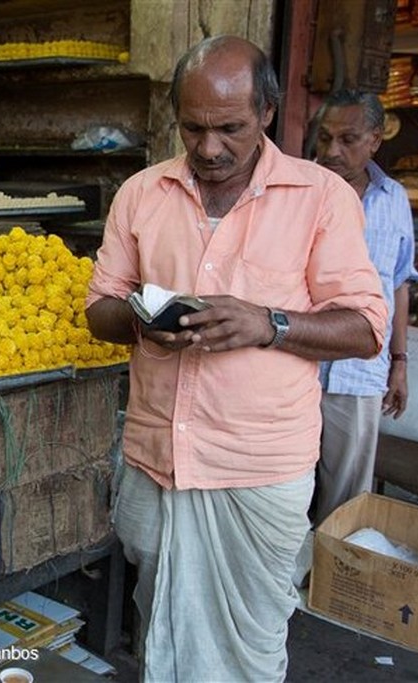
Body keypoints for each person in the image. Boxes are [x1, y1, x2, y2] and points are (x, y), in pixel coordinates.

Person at [84, 36, 388, 682]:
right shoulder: (142, 194)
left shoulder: (320, 198)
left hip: (259, 469)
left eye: (230, 128)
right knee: (158, 623)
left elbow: (365, 328)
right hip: (155, 461)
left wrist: (268, 323)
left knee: (249, 641)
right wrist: (145, 322)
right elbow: (99, 311)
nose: (211, 147)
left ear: (269, 112)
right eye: (193, 129)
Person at [311, 89, 418, 524]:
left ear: (375, 140)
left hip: (361, 370)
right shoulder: (301, 191)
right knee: (283, 483)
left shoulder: (393, 199)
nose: (332, 151)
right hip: (296, 362)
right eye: (324, 138)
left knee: (345, 496)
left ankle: (326, 582)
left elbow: (397, 283)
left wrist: (399, 362)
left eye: (348, 139)